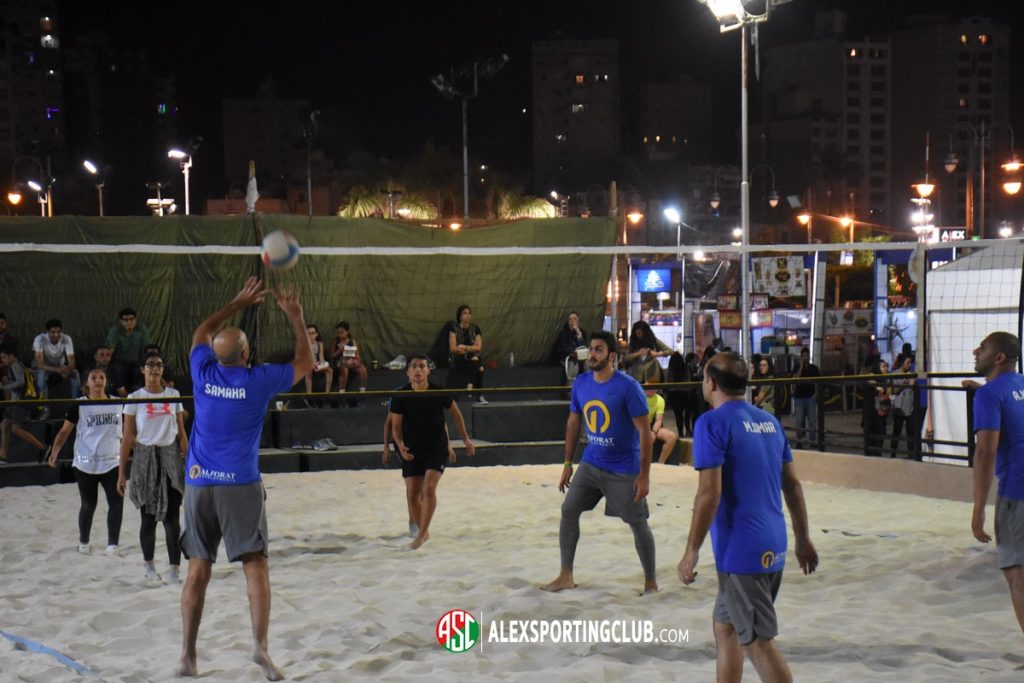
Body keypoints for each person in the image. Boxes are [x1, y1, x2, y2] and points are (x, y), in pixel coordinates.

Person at [176, 277, 313, 680]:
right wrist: (296, 318)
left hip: (199, 483)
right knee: (255, 565)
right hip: (239, 482)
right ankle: (260, 648)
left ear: (216, 355)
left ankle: (187, 656)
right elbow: (305, 363)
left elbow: (202, 331)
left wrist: (235, 304)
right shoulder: (259, 380)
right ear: (247, 353)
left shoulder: (202, 371)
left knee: (198, 570)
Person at [678, 352, 819, 683]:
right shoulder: (769, 422)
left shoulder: (711, 423)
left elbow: (709, 493)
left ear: (711, 383)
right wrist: (802, 538)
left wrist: (691, 550)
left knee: (757, 643)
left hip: (742, 552)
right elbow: (793, 486)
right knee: (725, 628)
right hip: (773, 541)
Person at [542, 331, 657, 595]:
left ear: (612, 356)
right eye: (591, 349)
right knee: (569, 510)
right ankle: (566, 575)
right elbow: (574, 423)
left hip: (624, 469)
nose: (592, 355)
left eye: (599, 350)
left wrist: (644, 475)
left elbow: (645, 433)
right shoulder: (581, 383)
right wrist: (568, 463)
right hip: (591, 464)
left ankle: (651, 582)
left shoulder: (628, 387)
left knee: (637, 523)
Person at [967, 332, 1024, 641]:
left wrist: (978, 508)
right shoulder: (1015, 386)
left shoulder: (989, 396)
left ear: (999, 357)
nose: (975, 351)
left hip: (1017, 492)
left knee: (1018, 577)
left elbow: (986, 453)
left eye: (984, 347)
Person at [388, 354, 475, 549]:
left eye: (422, 366)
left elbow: (455, 413)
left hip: (436, 447)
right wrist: (399, 446)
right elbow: (395, 426)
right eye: (414, 367)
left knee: (428, 489)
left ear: (428, 370)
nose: (418, 370)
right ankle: (422, 531)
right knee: (412, 494)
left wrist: (465, 439)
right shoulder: (400, 395)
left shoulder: (438, 391)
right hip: (412, 448)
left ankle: (421, 535)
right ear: (408, 372)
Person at [116, 351, 188, 583]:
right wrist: (121, 473)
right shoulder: (135, 397)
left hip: (170, 458)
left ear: (163, 369)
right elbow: (127, 436)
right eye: (150, 365)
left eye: (158, 365)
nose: (155, 368)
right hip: (145, 459)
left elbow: (181, 433)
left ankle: (175, 568)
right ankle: (149, 565)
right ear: (142, 369)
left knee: (172, 519)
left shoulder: (173, 395)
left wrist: (189, 463)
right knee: (147, 518)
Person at [47, 367, 124, 555]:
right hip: (85, 463)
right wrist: (54, 451)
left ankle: (112, 544)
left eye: (101, 377)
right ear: (87, 383)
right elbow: (65, 431)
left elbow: (127, 433)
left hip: (112, 462)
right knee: (88, 504)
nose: (98, 381)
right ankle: (84, 542)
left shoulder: (118, 403)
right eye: (93, 378)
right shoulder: (80, 404)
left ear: (106, 381)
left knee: (116, 503)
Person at [0, 348, 47, 461]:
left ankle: (42, 447)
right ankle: (2, 455)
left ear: (11, 356)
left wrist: (4, 387)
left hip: (19, 402)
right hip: (14, 402)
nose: (3, 360)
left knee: (15, 428)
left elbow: (20, 382)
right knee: (4, 424)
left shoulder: (15, 366)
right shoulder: (18, 365)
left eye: (4, 357)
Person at [32, 318, 81, 404]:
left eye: (58, 332)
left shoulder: (66, 339)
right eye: (53, 332)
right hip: (44, 367)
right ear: (47, 331)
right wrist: (56, 370)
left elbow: (72, 361)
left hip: (59, 366)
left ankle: (76, 404)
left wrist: (68, 369)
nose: (56, 335)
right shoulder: (39, 339)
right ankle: (42, 406)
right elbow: (40, 364)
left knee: (75, 375)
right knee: (41, 377)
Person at [106, 307, 152, 393]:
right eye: (126, 320)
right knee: (114, 369)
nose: (129, 322)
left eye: (131, 319)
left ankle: (136, 394)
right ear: (121, 321)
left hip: (137, 362)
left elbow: (147, 349)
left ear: (136, 320)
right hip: (118, 362)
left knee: (141, 370)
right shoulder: (115, 331)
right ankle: (121, 391)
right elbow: (109, 351)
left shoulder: (142, 329)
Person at [447, 304, 486, 403]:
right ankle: (478, 395)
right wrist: (469, 351)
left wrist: (464, 347)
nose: (468, 315)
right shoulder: (453, 328)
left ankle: (472, 386)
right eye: (465, 313)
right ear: (460, 316)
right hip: (458, 357)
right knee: (479, 366)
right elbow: (453, 348)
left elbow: (479, 347)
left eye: (469, 313)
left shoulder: (475, 328)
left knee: (478, 365)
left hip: (472, 356)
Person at [791, 348, 820, 449]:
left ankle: (812, 440)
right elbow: (795, 378)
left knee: (812, 420)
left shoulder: (814, 368)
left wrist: (816, 394)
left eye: (807, 356)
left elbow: (818, 382)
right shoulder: (796, 367)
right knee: (799, 421)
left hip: (810, 397)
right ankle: (799, 441)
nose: (805, 358)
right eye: (804, 356)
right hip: (799, 397)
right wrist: (801, 366)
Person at [645, 380, 678, 464]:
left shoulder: (660, 400)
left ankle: (660, 463)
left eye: (651, 387)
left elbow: (658, 420)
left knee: (671, 437)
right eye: (647, 386)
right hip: (638, 425)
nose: (648, 389)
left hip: (650, 425)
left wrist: (653, 432)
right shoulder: (638, 397)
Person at [862, 360, 891, 456]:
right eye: (883, 367)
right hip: (871, 416)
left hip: (880, 416)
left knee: (879, 439)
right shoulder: (871, 378)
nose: (886, 368)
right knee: (870, 442)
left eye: (886, 366)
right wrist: (876, 385)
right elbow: (867, 381)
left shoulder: (884, 380)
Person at [890, 355, 917, 457]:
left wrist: (912, 382)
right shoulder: (895, 374)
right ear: (902, 363)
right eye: (907, 363)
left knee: (910, 431)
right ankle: (893, 454)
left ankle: (911, 453)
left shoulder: (912, 374)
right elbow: (895, 390)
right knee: (897, 431)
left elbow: (913, 387)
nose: (909, 365)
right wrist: (905, 381)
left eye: (910, 363)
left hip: (909, 407)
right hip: (899, 407)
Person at [330, 321, 367, 393]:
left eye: (342, 332)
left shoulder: (352, 341)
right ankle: (342, 391)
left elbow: (357, 355)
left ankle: (362, 391)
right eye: (338, 333)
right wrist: (339, 351)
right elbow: (331, 356)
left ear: (347, 332)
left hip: (351, 361)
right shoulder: (335, 341)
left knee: (363, 369)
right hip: (339, 362)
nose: (340, 335)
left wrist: (356, 359)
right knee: (344, 370)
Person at [555, 311, 587, 380]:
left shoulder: (583, 332)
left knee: (588, 363)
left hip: (580, 357)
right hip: (568, 357)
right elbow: (562, 348)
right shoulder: (563, 333)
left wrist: (578, 333)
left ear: (578, 321)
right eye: (570, 319)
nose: (572, 320)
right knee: (573, 364)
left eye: (574, 318)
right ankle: (571, 384)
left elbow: (584, 346)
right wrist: (572, 352)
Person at [303, 324, 333, 397]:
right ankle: (309, 394)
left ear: (316, 334)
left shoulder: (320, 344)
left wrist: (322, 364)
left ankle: (327, 393)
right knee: (308, 371)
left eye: (313, 333)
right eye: (309, 333)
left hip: (316, 364)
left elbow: (321, 357)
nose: (311, 335)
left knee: (329, 370)